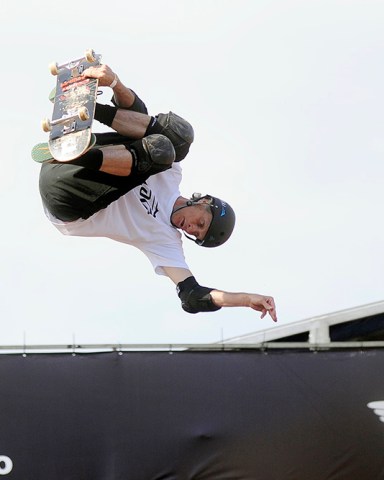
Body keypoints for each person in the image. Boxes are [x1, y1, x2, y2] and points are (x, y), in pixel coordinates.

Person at [39, 65, 277, 321]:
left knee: (160, 152)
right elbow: (145, 122)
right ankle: (89, 109)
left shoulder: (166, 241)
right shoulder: (172, 174)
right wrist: (116, 83)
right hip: (64, 167)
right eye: (201, 222)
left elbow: (192, 296)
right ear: (204, 201)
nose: (192, 229)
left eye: (197, 234)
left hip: (69, 201)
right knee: (177, 139)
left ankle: (80, 152)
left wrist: (245, 299)